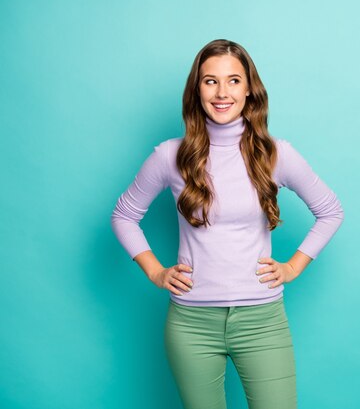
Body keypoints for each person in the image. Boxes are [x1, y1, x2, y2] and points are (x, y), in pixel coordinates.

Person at [110, 38, 344, 409]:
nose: (222, 92)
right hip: (191, 325)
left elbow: (331, 210)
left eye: (234, 80)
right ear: (197, 89)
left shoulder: (275, 153)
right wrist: (155, 272)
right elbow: (124, 216)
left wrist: (293, 266)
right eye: (210, 81)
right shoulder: (170, 156)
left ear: (250, 90)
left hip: (262, 322)